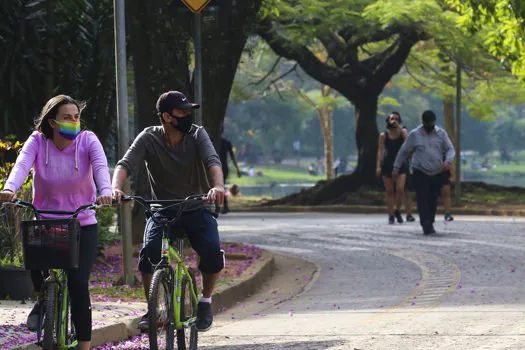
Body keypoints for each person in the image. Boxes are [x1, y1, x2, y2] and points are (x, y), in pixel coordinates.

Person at [0, 95, 112, 350]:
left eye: (76, 117)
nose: (74, 121)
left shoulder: (87, 140)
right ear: (52, 122)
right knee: (36, 270)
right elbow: (21, 166)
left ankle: (83, 346)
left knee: (78, 284)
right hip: (46, 223)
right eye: (67, 117)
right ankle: (43, 299)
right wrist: (9, 189)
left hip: (82, 223)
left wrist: (105, 190)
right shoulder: (38, 142)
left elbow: (100, 167)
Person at [112, 91, 225, 332]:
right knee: (149, 254)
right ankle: (152, 308)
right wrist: (115, 188)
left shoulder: (196, 134)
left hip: (197, 206)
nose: (187, 116)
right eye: (182, 112)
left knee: (212, 251)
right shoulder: (148, 138)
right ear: (166, 116)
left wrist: (217, 186)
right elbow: (125, 164)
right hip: (162, 208)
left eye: (188, 111)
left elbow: (212, 161)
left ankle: (205, 301)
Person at [393, 110, 455, 235]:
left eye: (431, 123)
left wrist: (448, 161)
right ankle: (425, 223)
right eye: (427, 123)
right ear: (423, 122)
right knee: (422, 197)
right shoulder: (414, 135)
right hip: (420, 171)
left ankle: (430, 220)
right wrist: (396, 167)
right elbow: (403, 152)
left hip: (437, 171)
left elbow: (450, 149)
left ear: (434, 122)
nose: (429, 126)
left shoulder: (441, 134)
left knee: (432, 198)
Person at [376, 112, 410, 224]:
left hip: (401, 163)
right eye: (391, 119)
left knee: (400, 189)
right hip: (388, 164)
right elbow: (380, 152)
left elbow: (409, 146)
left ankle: (397, 210)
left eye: (396, 119)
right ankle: (391, 214)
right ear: (388, 121)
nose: (394, 120)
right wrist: (378, 166)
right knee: (389, 191)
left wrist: (402, 132)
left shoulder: (403, 132)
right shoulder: (383, 135)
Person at [218, 126, 241, 214]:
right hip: (223, 168)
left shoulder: (214, 142)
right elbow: (233, 157)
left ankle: (224, 205)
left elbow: (232, 157)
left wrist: (238, 169)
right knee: (220, 186)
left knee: (219, 186)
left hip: (220, 168)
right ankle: (222, 205)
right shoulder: (226, 142)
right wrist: (237, 169)